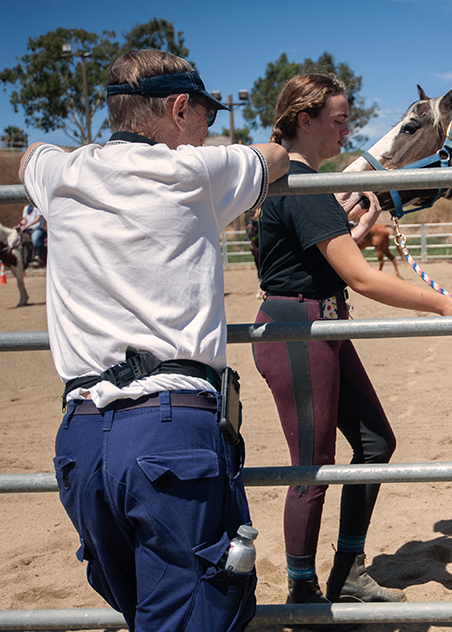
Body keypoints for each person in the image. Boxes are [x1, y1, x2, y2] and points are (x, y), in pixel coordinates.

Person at [18, 49, 289, 631]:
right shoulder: (197, 172)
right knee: (195, 608)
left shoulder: (60, 173)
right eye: (205, 119)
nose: (207, 133)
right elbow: (276, 156)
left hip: (84, 434)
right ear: (178, 107)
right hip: (171, 430)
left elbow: (30, 156)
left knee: (142, 606)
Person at [251, 73, 452, 615]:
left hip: (320, 324)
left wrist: (357, 230)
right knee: (312, 466)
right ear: (305, 121)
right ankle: (302, 589)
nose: (346, 129)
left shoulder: (304, 182)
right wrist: (445, 304)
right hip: (299, 330)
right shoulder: (300, 184)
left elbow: (312, 260)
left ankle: (349, 570)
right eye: (337, 119)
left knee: (375, 443)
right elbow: (363, 279)